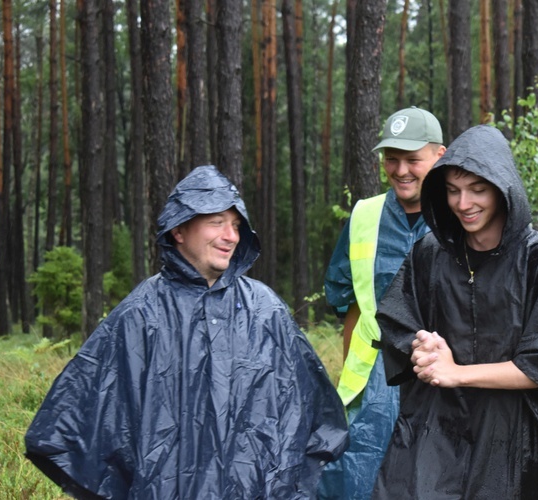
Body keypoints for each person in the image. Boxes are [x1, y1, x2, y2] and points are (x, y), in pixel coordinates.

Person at [25, 165, 349, 499]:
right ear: (179, 230)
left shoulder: (266, 310)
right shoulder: (141, 314)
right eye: (216, 222)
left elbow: (318, 417)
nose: (231, 236)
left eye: (236, 225)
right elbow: (73, 422)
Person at [373, 125, 538, 499]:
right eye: (452, 190)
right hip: (439, 433)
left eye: (478, 190)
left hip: (516, 444)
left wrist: (457, 373)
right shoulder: (430, 254)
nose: (463, 204)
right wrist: (422, 346)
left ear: (502, 188)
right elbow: (399, 322)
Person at [319, 107, 446, 499]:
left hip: (440, 378)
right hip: (373, 381)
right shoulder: (364, 216)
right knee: (358, 480)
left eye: (413, 159)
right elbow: (350, 305)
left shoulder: (457, 218)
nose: (401, 170)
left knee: (432, 478)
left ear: (439, 156)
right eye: (392, 158)